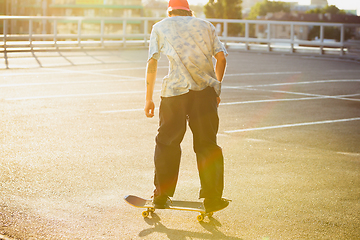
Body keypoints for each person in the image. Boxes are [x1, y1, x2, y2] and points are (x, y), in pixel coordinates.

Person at [144, 0, 228, 213]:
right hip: (205, 93)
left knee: (167, 142)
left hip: (174, 93)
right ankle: (212, 198)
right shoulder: (206, 26)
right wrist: (216, 87)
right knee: (207, 144)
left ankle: (161, 195)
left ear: (169, 11)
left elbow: (152, 62)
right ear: (190, 12)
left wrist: (148, 98)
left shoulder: (161, 26)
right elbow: (221, 58)